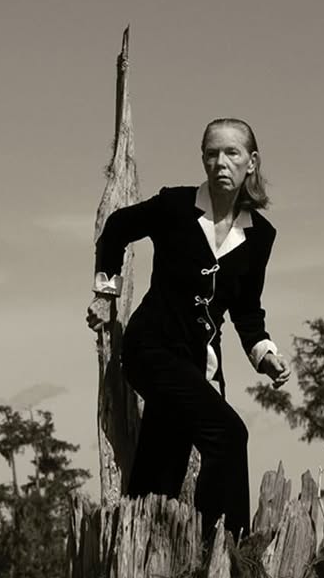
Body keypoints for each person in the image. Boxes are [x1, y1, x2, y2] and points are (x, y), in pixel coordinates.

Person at [88, 118, 289, 543]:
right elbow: (117, 228)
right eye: (212, 153)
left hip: (197, 365)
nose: (221, 162)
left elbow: (247, 310)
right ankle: (229, 551)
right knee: (229, 434)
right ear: (202, 159)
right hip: (150, 349)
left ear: (251, 162)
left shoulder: (260, 236)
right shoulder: (175, 206)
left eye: (232, 153)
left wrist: (265, 354)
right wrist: (106, 294)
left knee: (161, 468)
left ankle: (140, 551)